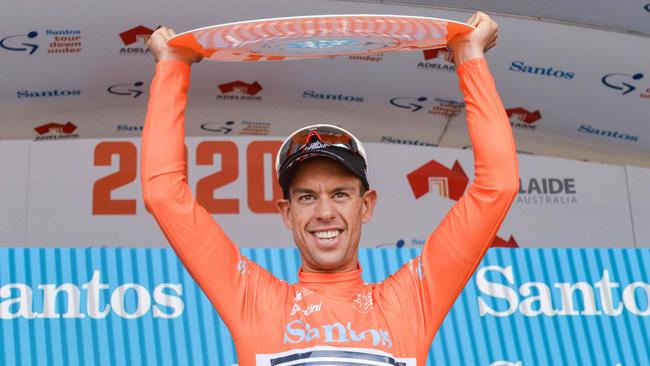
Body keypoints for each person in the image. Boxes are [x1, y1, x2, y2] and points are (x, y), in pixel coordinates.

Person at [142, 11, 518, 366]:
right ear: (287, 213)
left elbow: (497, 186)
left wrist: (470, 56)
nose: (324, 212)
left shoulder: (409, 302)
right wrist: (171, 66)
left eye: (340, 194)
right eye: (307, 197)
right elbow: (164, 194)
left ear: (366, 205)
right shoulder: (254, 303)